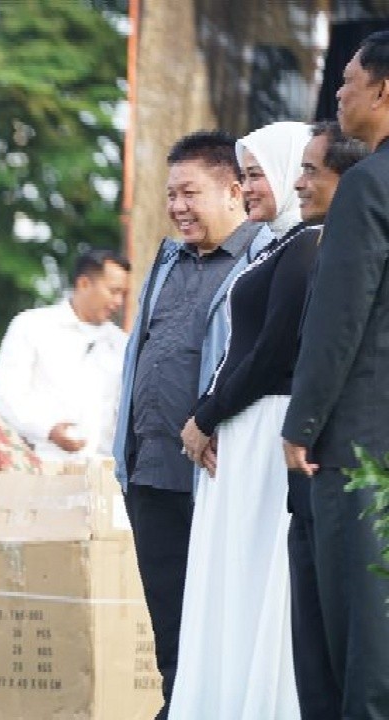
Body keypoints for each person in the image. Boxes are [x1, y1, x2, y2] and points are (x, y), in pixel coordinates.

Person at [113, 130, 272, 720]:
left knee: (222, 619)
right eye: (171, 194)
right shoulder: (168, 256)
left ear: (234, 191)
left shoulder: (265, 257)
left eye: (191, 193)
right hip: (149, 470)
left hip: (218, 471)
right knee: (170, 621)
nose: (178, 206)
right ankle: (175, 706)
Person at [170, 120, 314, 719]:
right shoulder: (279, 243)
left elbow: (272, 350)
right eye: (245, 174)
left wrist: (205, 415)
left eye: (257, 174)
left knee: (257, 580)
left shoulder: (312, 243)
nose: (249, 186)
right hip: (243, 433)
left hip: (265, 433)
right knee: (229, 582)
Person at [282, 30, 389, 719]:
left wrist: (302, 424)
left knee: (356, 639)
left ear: (384, 90)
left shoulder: (368, 186)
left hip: (357, 444)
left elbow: (339, 318)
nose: (340, 93)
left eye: (350, 81)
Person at [286, 120, 367, 720]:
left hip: (340, 457)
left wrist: (301, 425)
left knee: (346, 652)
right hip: (317, 467)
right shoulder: (310, 241)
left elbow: (333, 334)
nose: (298, 182)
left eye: (312, 170)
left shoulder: (353, 215)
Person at [0, 249, 129, 459]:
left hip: (104, 473)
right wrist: (47, 430)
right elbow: (5, 394)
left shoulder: (123, 344)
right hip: (40, 466)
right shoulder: (32, 326)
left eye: (123, 294)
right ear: (84, 284)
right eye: (113, 291)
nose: (119, 302)